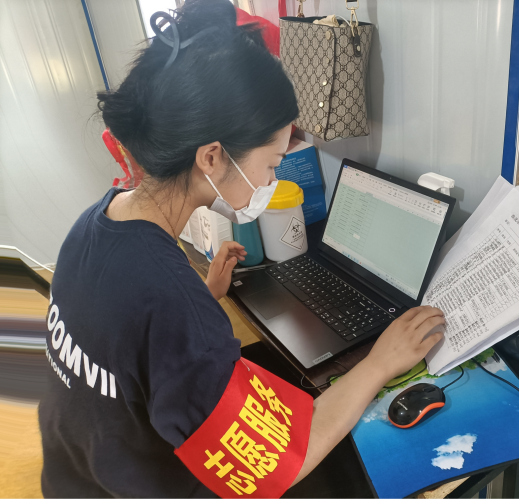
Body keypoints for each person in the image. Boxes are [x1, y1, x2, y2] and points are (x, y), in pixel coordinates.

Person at [38, 1, 445, 497]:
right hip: (142, 486)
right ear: (212, 156)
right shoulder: (170, 301)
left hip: (75, 474)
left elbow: (126, 340)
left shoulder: (95, 221)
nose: (273, 179)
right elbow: (274, 466)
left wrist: (203, 297)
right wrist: (381, 362)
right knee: (359, 463)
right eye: (272, 162)